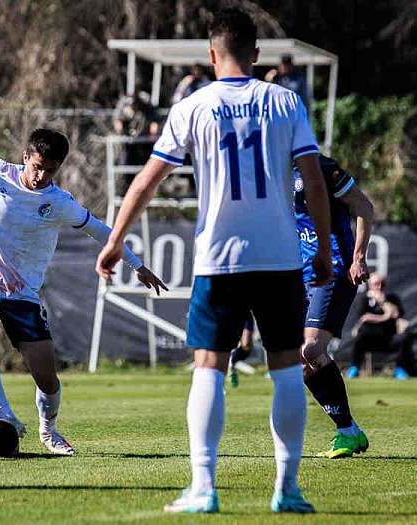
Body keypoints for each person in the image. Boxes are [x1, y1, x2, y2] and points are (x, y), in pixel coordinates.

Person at [96, 8, 333, 514]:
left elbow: (146, 179)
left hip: (220, 258)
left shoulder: (194, 106)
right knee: (287, 367)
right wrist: (326, 251)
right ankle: (287, 489)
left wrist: (115, 240)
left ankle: (203, 487)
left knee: (209, 367)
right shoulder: (285, 101)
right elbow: (314, 182)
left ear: (211, 54)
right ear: (256, 54)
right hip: (280, 256)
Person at [0, 114, 165, 456]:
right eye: (38, 166)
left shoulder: (58, 202)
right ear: (26, 156)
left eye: (50, 170)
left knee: (47, 378)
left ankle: (48, 430)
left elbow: (100, 230)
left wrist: (136, 264)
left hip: (22, 297)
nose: (42, 176)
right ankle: (4, 414)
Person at [293, 155, 375, 457]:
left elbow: (364, 207)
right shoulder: (272, 170)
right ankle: (348, 431)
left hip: (334, 270)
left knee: (311, 349)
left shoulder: (323, 168)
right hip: (300, 274)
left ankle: (347, 431)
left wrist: (359, 257)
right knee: (300, 359)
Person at [348, 274, 409, 379]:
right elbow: (364, 317)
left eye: (382, 284)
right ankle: (354, 368)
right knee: (358, 339)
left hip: (388, 338)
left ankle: (399, 369)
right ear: (370, 285)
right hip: (368, 338)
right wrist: (386, 316)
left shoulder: (392, 298)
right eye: (376, 284)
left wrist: (383, 302)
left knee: (402, 339)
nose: (379, 287)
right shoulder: (363, 299)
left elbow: (396, 314)